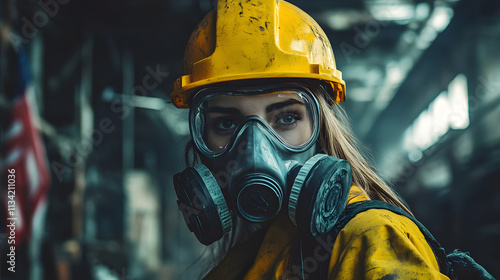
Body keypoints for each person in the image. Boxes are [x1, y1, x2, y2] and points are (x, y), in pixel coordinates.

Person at [170, 0, 450, 279]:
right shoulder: (250, 255)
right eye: (227, 123)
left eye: (287, 118)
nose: (254, 150)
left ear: (322, 127)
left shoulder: (371, 237)